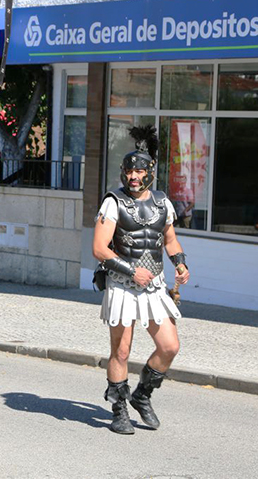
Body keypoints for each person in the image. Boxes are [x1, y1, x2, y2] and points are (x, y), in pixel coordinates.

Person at [92, 125, 190, 435]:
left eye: (139, 172)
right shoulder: (113, 202)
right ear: (123, 173)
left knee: (169, 346)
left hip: (154, 286)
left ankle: (142, 395)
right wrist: (131, 270)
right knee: (121, 351)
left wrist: (181, 263)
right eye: (128, 171)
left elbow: (170, 239)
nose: (133, 176)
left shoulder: (163, 203)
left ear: (149, 173)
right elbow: (99, 248)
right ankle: (118, 408)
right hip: (123, 284)